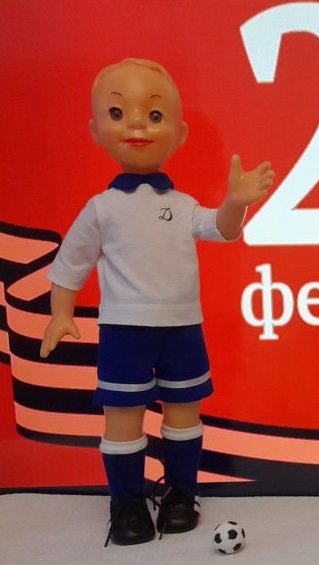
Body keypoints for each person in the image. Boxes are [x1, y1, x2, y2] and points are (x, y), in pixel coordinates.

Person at [39, 58, 274, 546]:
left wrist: (236, 201)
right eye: (118, 113)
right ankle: (127, 502)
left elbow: (223, 229)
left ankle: (181, 493)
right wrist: (61, 313)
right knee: (122, 418)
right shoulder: (101, 208)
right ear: (96, 130)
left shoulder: (184, 205)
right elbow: (72, 262)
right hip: (124, 331)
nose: (138, 126)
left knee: (184, 412)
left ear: (179, 133)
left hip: (183, 328)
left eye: (154, 115)